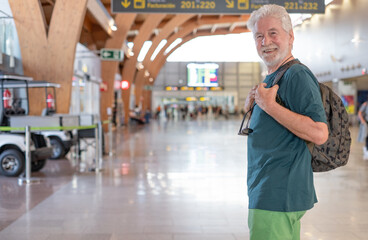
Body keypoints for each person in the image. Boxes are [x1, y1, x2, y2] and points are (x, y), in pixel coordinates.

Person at [244, 4, 329, 240]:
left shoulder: (296, 75)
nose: (265, 42)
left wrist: (269, 106)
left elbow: (319, 132)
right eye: (259, 36)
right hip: (273, 190)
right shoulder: (275, 76)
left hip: (276, 193)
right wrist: (255, 107)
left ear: (290, 37)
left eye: (273, 33)